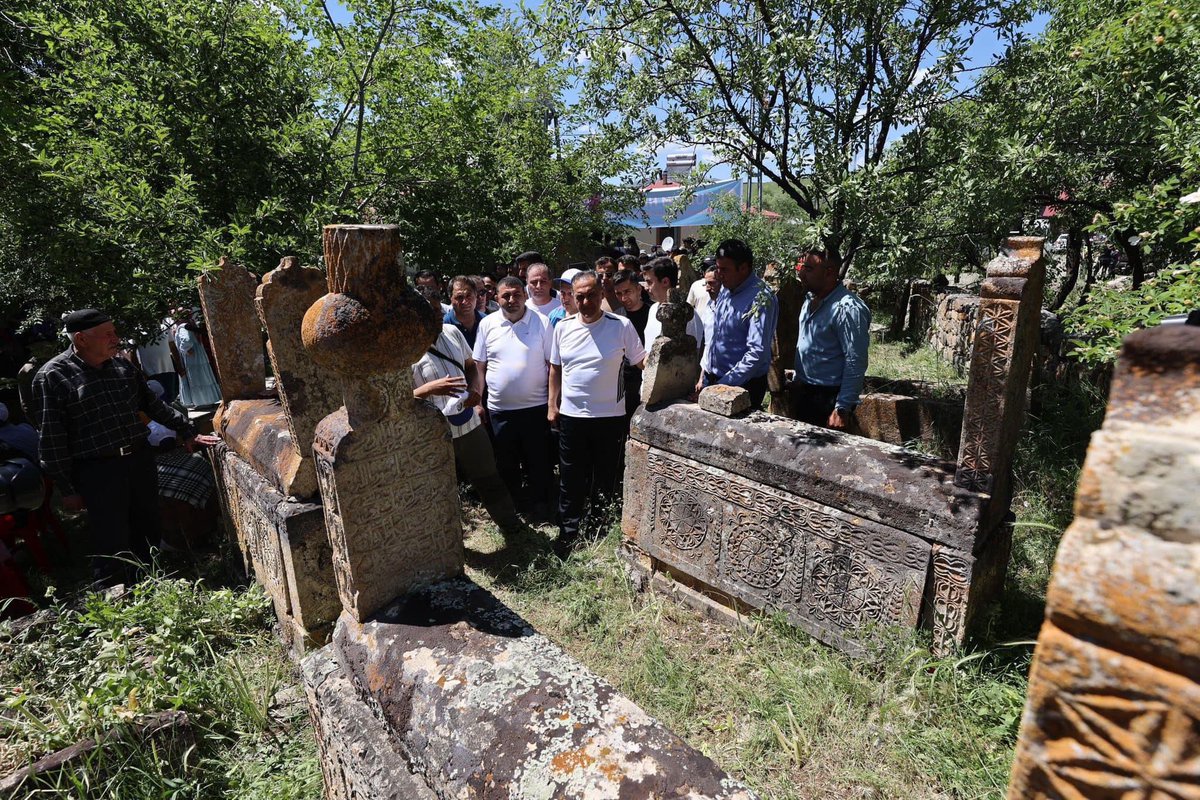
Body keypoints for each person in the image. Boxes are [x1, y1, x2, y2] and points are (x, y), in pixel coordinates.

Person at [32, 309, 217, 584]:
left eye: (114, 332)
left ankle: (150, 583)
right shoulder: (54, 376)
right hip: (97, 470)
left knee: (148, 526)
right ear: (82, 339)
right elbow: (52, 437)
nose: (116, 339)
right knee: (111, 538)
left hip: (138, 460)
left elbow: (153, 405)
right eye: (108, 334)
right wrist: (67, 488)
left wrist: (188, 431)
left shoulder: (122, 367)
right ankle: (116, 598)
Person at [548, 271, 646, 556]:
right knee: (571, 477)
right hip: (572, 416)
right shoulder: (562, 328)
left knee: (605, 477)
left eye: (591, 294)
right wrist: (552, 405)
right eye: (580, 296)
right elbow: (556, 368)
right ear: (572, 297)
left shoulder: (621, 326)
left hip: (610, 417)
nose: (586, 301)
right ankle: (568, 533)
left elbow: (642, 362)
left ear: (602, 294)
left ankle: (598, 530)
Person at [413, 286, 522, 534]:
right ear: (415, 315)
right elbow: (398, 399)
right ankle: (448, 538)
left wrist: (475, 389)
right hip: (433, 435)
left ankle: (510, 526)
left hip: (468, 424)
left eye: (440, 311)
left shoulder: (451, 332)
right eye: (432, 314)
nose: (440, 317)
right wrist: (429, 388)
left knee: (488, 476)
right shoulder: (403, 351)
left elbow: (471, 365)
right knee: (440, 488)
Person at [473, 277, 556, 521]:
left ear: (525, 295)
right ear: (496, 298)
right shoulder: (487, 324)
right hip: (500, 410)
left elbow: (553, 365)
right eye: (505, 296)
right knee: (506, 463)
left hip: (536, 408)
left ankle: (540, 506)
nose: (511, 300)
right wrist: (478, 401)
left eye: (516, 294)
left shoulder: (541, 322)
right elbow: (480, 366)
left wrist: (552, 404)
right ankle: (513, 508)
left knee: (538, 461)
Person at [789, 250, 871, 429]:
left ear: (829, 272)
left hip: (828, 397)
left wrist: (842, 408)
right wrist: (797, 378)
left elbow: (855, 360)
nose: (801, 273)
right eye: (802, 267)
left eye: (809, 269)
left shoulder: (848, 308)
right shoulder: (810, 298)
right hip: (804, 391)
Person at [704, 239, 779, 409]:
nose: (719, 274)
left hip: (742, 385)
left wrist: (725, 384)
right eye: (717, 268)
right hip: (716, 378)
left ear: (744, 268)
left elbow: (756, 352)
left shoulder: (760, 298)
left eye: (725, 269)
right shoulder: (726, 287)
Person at [612, 270, 652, 422]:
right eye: (618, 293)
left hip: (644, 377)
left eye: (627, 291)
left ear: (638, 289)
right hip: (622, 382)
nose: (624, 298)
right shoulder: (616, 317)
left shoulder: (653, 313)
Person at [641, 257, 704, 348]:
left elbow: (693, 353)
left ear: (665, 282)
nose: (646, 287)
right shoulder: (653, 309)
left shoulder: (687, 314)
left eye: (649, 282)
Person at [170, 308, 221, 408]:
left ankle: (202, 402)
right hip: (198, 355)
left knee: (196, 378)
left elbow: (186, 340)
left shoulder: (182, 327)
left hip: (192, 359)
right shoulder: (190, 324)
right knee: (202, 377)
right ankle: (207, 400)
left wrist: (185, 349)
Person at [444, 275, 486, 350]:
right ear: (451, 298)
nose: (465, 302)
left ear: (476, 296)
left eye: (469, 296)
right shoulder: (444, 326)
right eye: (459, 297)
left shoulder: (487, 322)